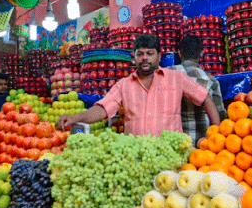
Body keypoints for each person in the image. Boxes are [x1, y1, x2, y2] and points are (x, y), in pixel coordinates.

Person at [57, 34, 221, 138]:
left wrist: (217, 133)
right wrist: (75, 118)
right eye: (140, 54)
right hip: (135, 158)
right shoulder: (123, 85)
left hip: (170, 156)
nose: (145, 58)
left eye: (150, 54)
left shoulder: (176, 78)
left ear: (159, 56)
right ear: (133, 57)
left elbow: (205, 97)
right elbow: (103, 109)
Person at [170, 35, 227, 144]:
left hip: (176, 144)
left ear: (179, 53)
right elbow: (220, 114)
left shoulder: (169, 74)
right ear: (202, 53)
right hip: (203, 144)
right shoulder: (211, 81)